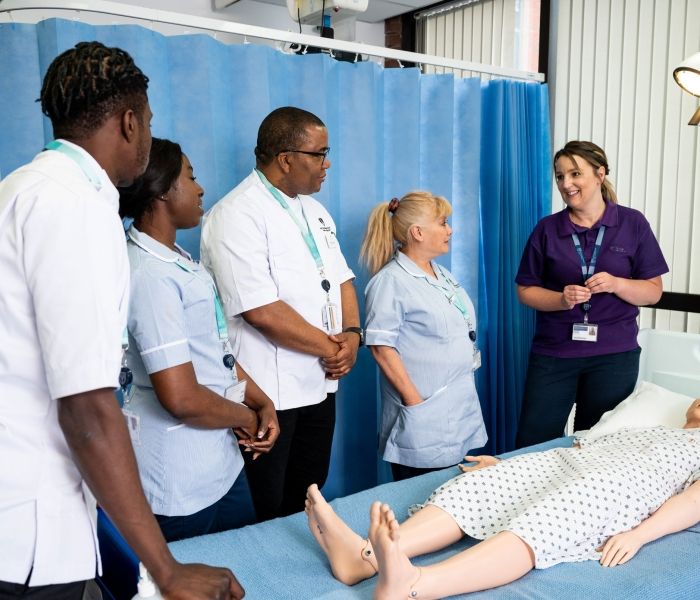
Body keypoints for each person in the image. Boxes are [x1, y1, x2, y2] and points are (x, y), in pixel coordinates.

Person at [0, 42, 244, 599]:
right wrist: (166, 567)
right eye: (150, 123)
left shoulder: (18, 189)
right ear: (130, 122)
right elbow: (87, 409)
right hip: (27, 527)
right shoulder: (77, 210)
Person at [306, 397, 700, 599]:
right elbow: (574, 451)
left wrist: (638, 535)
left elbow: (693, 502)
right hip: (565, 464)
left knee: (549, 517)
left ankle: (413, 585)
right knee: (481, 486)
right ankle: (365, 558)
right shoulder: (643, 429)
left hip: (615, 487)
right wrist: (509, 465)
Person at [201, 106, 361, 520]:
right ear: (286, 158)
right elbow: (261, 311)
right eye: (319, 154)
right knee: (267, 504)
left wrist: (354, 334)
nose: (328, 164)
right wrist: (332, 346)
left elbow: (342, 280)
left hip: (320, 381)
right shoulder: (235, 214)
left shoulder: (316, 211)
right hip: (267, 390)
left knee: (309, 489)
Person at [118, 138, 279, 542]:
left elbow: (215, 351)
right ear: (160, 189)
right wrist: (247, 418)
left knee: (245, 566)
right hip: (179, 480)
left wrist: (262, 401)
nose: (200, 188)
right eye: (190, 177)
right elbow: (180, 398)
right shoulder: (149, 275)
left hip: (220, 466)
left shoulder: (177, 260)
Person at [515, 140, 668, 448]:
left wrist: (616, 283)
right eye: (560, 176)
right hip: (554, 355)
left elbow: (653, 292)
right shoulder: (546, 229)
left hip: (613, 357)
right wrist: (561, 299)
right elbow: (525, 291)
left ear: (599, 175)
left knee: (597, 446)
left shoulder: (632, 222)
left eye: (575, 174)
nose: (566, 184)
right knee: (532, 444)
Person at [359, 192, 487, 481]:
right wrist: (415, 402)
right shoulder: (390, 282)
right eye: (442, 222)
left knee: (456, 500)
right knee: (421, 505)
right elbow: (381, 347)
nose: (450, 230)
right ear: (417, 232)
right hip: (424, 416)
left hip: (457, 408)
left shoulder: (441, 274)